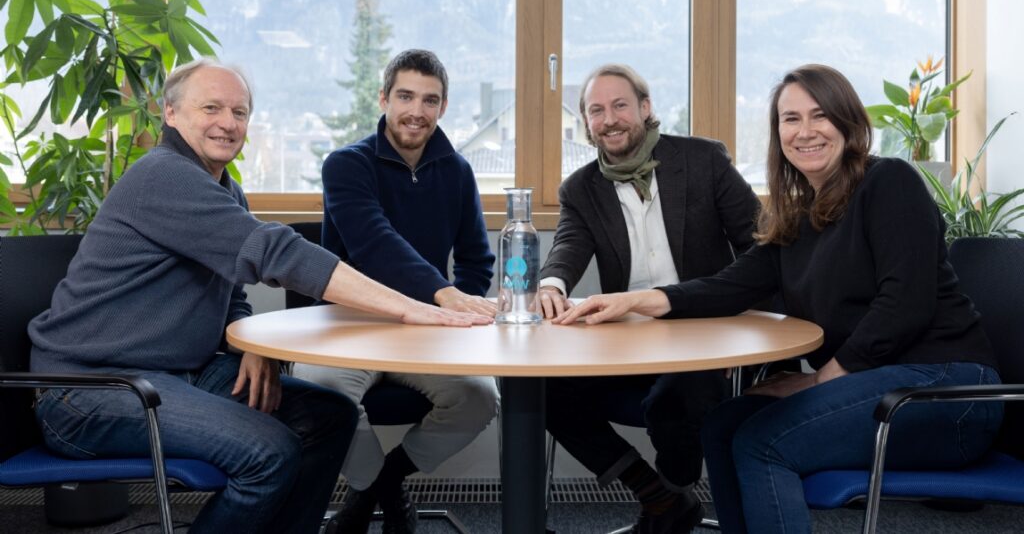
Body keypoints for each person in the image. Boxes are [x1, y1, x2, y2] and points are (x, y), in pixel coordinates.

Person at [28, 58, 491, 534]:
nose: (228, 123)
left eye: (239, 112)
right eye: (211, 108)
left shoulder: (228, 192)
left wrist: (249, 346)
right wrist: (415, 305)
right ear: (169, 113)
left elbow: (231, 296)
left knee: (328, 419)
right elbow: (275, 250)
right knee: (268, 452)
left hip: (184, 373)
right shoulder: (162, 175)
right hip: (95, 388)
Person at [553, 63, 1002, 534]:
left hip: (944, 391)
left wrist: (818, 382)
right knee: (724, 426)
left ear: (848, 123)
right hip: (884, 386)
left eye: (819, 116)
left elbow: (903, 306)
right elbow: (729, 285)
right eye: (791, 119)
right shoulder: (798, 215)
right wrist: (635, 301)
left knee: (762, 443)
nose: (804, 132)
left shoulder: (889, 182)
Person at [536, 63, 761, 533]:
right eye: (596, 110)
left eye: (620, 105)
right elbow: (568, 247)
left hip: (705, 333)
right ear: (587, 122)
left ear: (645, 107)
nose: (609, 119)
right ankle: (660, 497)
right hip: (628, 342)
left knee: (673, 400)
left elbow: (761, 249)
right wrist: (552, 284)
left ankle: (674, 488)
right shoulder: (580, 189)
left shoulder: (703, 160)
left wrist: (744, 326)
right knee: (541, 390)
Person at [293, 49, 499, 534]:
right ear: (383, 98)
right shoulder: (346, 165)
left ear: (443, 108)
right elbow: (374, 242)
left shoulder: (458, 172)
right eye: (405, 96)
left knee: (479, 398)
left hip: (428, 332)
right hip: (350, 326)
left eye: (430, 100)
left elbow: (477, 260)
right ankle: (378, 493)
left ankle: (380, 484)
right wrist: (444, 296)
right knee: (319, 393)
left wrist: (455, 315)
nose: (416, 110)